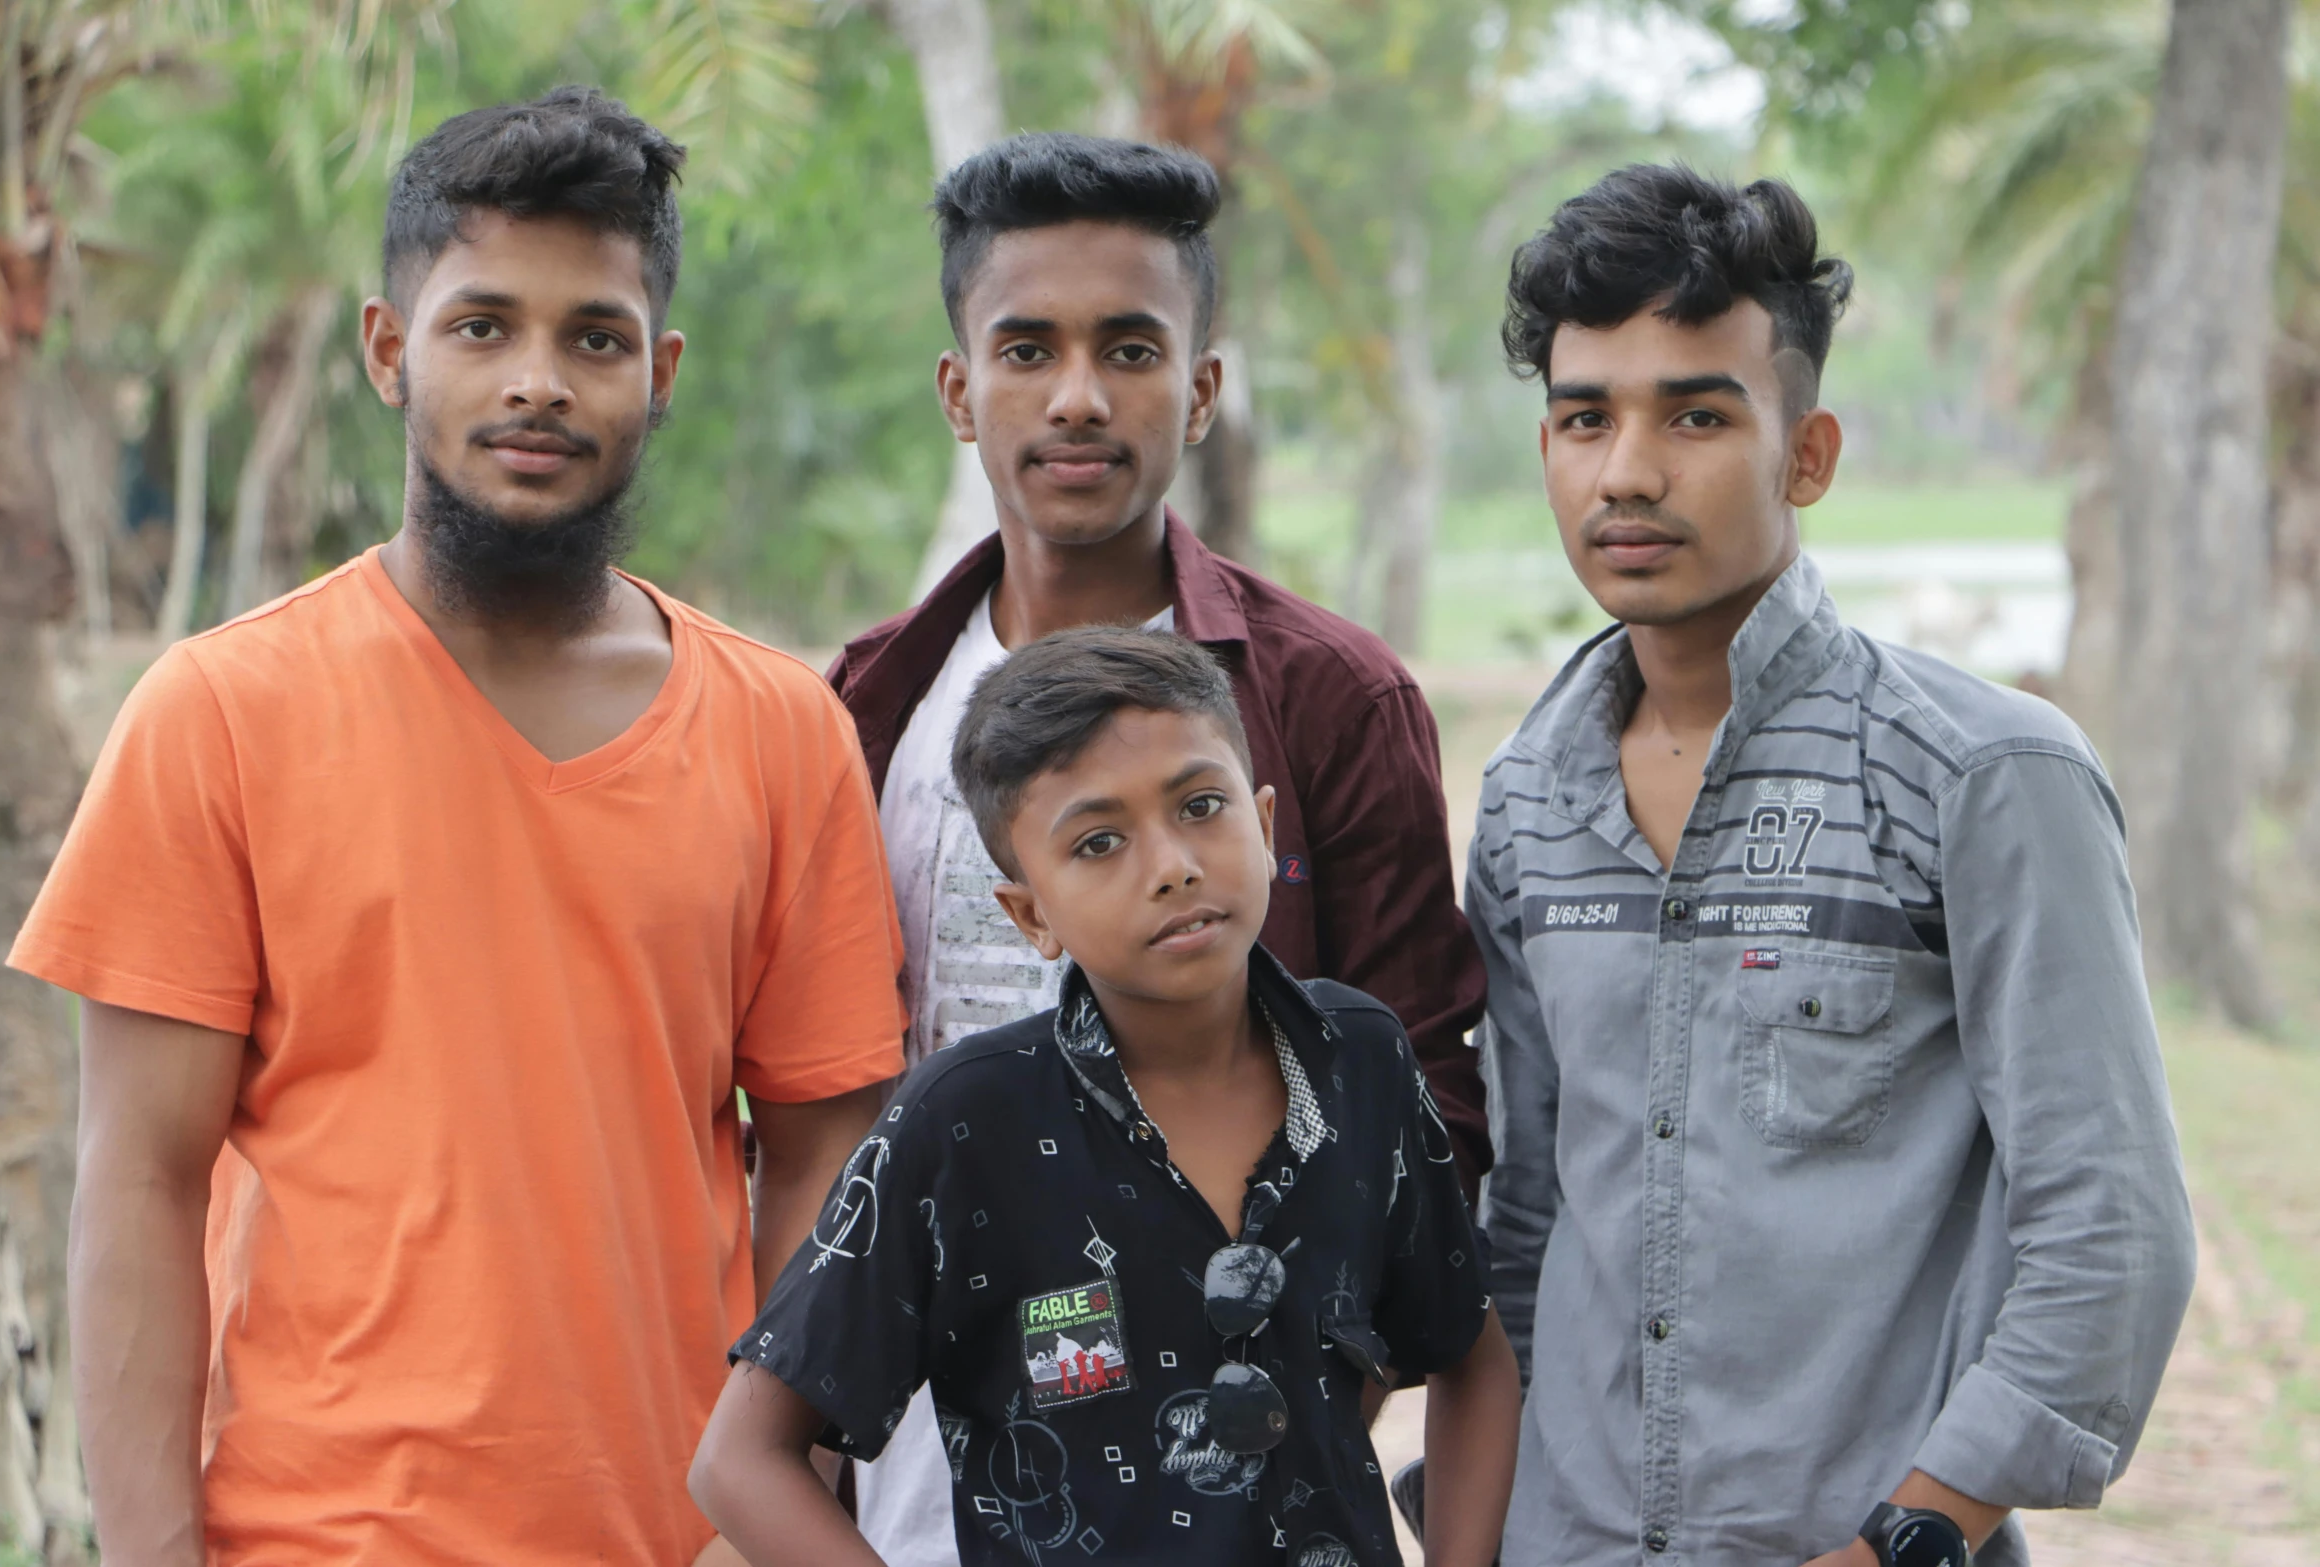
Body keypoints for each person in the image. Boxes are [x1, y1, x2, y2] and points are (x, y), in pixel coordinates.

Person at [13, 88, 907, 1566]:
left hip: (672, 1540)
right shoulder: (219, 712)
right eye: (481, 324)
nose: (538, 380)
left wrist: (767, 1512)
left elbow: (817, 1158)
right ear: (388, 349)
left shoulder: (780, 729)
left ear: (662, 370)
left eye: (593, 337)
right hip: (316, 1535)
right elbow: (140, 1180)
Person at [1467, 162, 2198, 1567]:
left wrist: (1908, 1537)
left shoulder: (1986, 775)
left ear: (1806, 454)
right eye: (1583, 417)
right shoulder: (1524, 802)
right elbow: (1528, 1217)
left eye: (1694, 411)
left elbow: (2107, 1218)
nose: (1625, 469)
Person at [828, 131, 1491, 1560]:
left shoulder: (1324, 698)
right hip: (911, 1500)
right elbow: (817, 1108)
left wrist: (1295, 1380)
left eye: (1130, 349)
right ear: (959, 388)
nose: (1078, 396)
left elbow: (1433, 1099)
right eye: (1026, 349)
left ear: (1198, 387)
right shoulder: (861, 707)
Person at [691, 628, 1522, 1567]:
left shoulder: (1360, 1060)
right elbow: (739, 1460)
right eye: (1098, 842)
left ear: (1266, 822)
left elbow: (1472, 1354)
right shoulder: (967, 1121)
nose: (1170, 863)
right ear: (1031, 912)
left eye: (1201, 805)